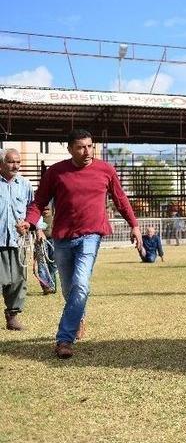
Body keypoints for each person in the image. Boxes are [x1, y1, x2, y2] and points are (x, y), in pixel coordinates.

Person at [17, 129, 142, 359]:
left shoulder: (106, 169)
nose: (87, 151)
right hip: (62, 238)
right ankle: (78, 316)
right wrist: (29, 221)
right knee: (69, 289)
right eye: (81, 147)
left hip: (91, 236)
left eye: (90, 146)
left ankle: (64, 339)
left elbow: (120, 199)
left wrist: (134, 225)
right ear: (70, 149)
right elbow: (39, 201)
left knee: (81, 284)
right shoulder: (56, 172)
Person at [1, 149, 34, 331]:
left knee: (18, 280)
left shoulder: (25, 185)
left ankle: (12, 316)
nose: (16, 166)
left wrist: (33, 225)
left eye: (18, 162)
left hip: (17, 241)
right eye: (11, 162)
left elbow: (34, 209)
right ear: (2, 163)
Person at [34, 207, 59, 295]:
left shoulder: (54, 203)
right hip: (40, 240)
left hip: (53, 239)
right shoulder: (37, 204)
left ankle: (51, 284)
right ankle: (46, 286)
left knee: (53, 263)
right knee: (42, 264)